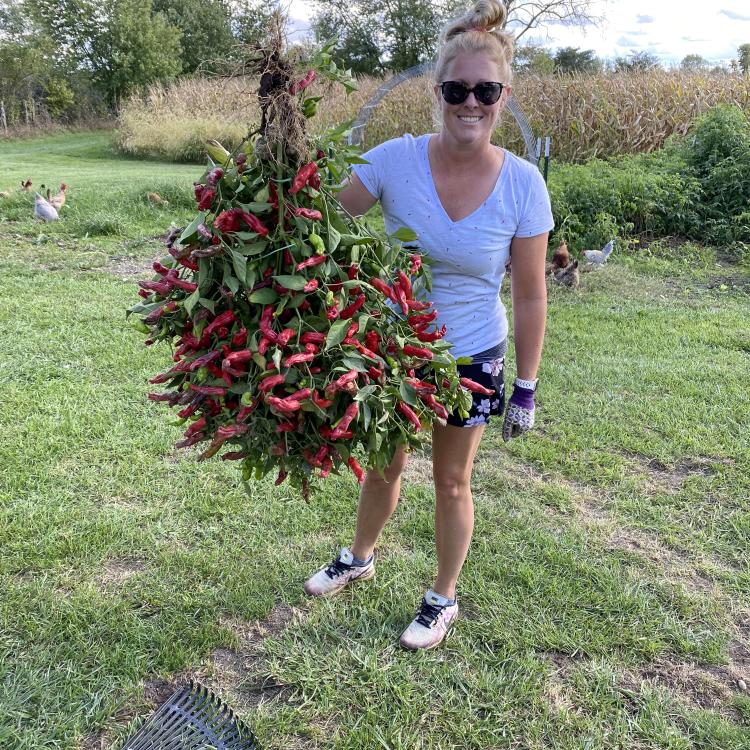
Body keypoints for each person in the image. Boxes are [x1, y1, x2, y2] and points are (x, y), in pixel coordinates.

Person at [303, 0, 553, 650]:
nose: (471, 103)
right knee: (382, 467)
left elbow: (529, 294)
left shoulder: (524, 185)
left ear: (503, 95)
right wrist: (273, 179)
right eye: (456, 90)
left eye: (486, 91)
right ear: (436, 93)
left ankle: (443, 598)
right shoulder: (394, 161)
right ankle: (359, 556)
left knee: (451, 480)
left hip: (472, 354)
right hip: (393, 349)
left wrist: (525, 387)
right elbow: (322, 212)